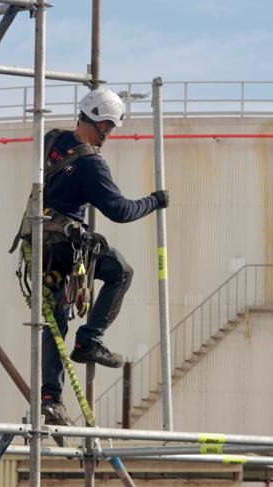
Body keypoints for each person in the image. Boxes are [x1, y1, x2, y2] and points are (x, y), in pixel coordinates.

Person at [15, 87, 169, 426]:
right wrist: (154, 201)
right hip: (66, 247)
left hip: (38, 241)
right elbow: (120, 210)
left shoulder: (52, 139)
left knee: (55, 320)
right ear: (99, 122)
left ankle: (50, 398)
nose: (110, 134)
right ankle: (90, 340)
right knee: (121, 272)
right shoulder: (90, 163)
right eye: (109, 127)